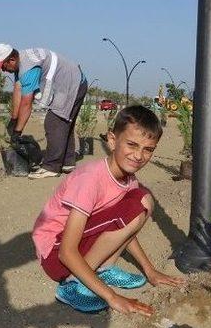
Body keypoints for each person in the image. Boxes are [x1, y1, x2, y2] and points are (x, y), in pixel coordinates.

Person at [32, 106, 185, 314]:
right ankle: (72, 285)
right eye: (132, 144)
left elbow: (123, 228)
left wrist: (150, 271)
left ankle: (102, 268)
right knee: (139, 203)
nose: (139, 155)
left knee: (143, 199)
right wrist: (113, 297)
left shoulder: (129, 180)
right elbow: (67, 253)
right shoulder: (90, 180)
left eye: (148, 149)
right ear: (112, 141)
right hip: (56, 254)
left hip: (75, 247)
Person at [0, 43, 88, 179]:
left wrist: (17, 131)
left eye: (3, 66)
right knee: (65, 122)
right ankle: (67, 162)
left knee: (53, 122)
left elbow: (26, 103)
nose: (3, 70)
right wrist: (13, 119)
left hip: (72, 84)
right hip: (76, 81)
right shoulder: (21, 62)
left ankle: (52, 167)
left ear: (11, 60)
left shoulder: (28, 68)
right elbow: (18, 90)